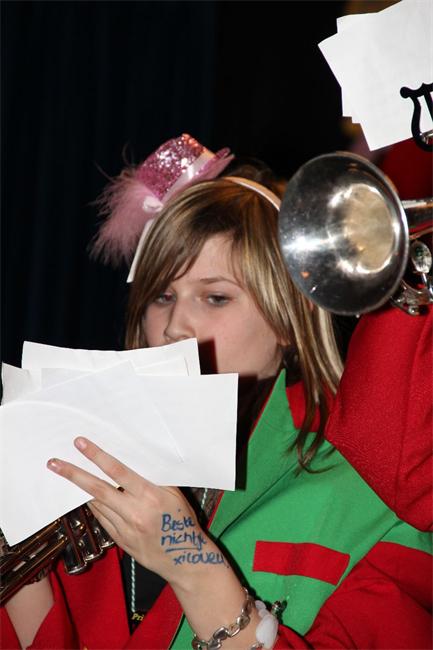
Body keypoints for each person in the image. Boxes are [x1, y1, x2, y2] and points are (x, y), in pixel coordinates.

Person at [1, 135, 431, 649]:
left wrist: (190, 563)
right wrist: (18, 562)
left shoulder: (374, 489)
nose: (175, 325)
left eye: (216, 297)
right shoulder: (83, 454)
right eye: (162, 296)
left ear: (287, 319)